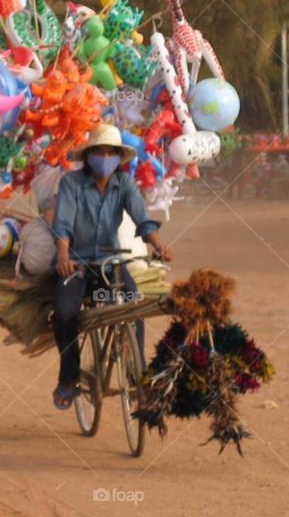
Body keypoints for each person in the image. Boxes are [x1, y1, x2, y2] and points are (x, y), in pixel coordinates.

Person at [50, 124, 173, 410]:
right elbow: (63, 224)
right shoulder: (72, 184)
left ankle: (136, 376)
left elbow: (142, 218)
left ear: (119, 157)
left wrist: (157, 243)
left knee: (133, 304)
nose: (105, 157)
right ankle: (68, 378)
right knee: (65, 312)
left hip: (110, 263)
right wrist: (64, 257)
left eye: (111, 152)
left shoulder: (125, 185)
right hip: (77, 264)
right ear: (89, 154)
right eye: (100, 151)